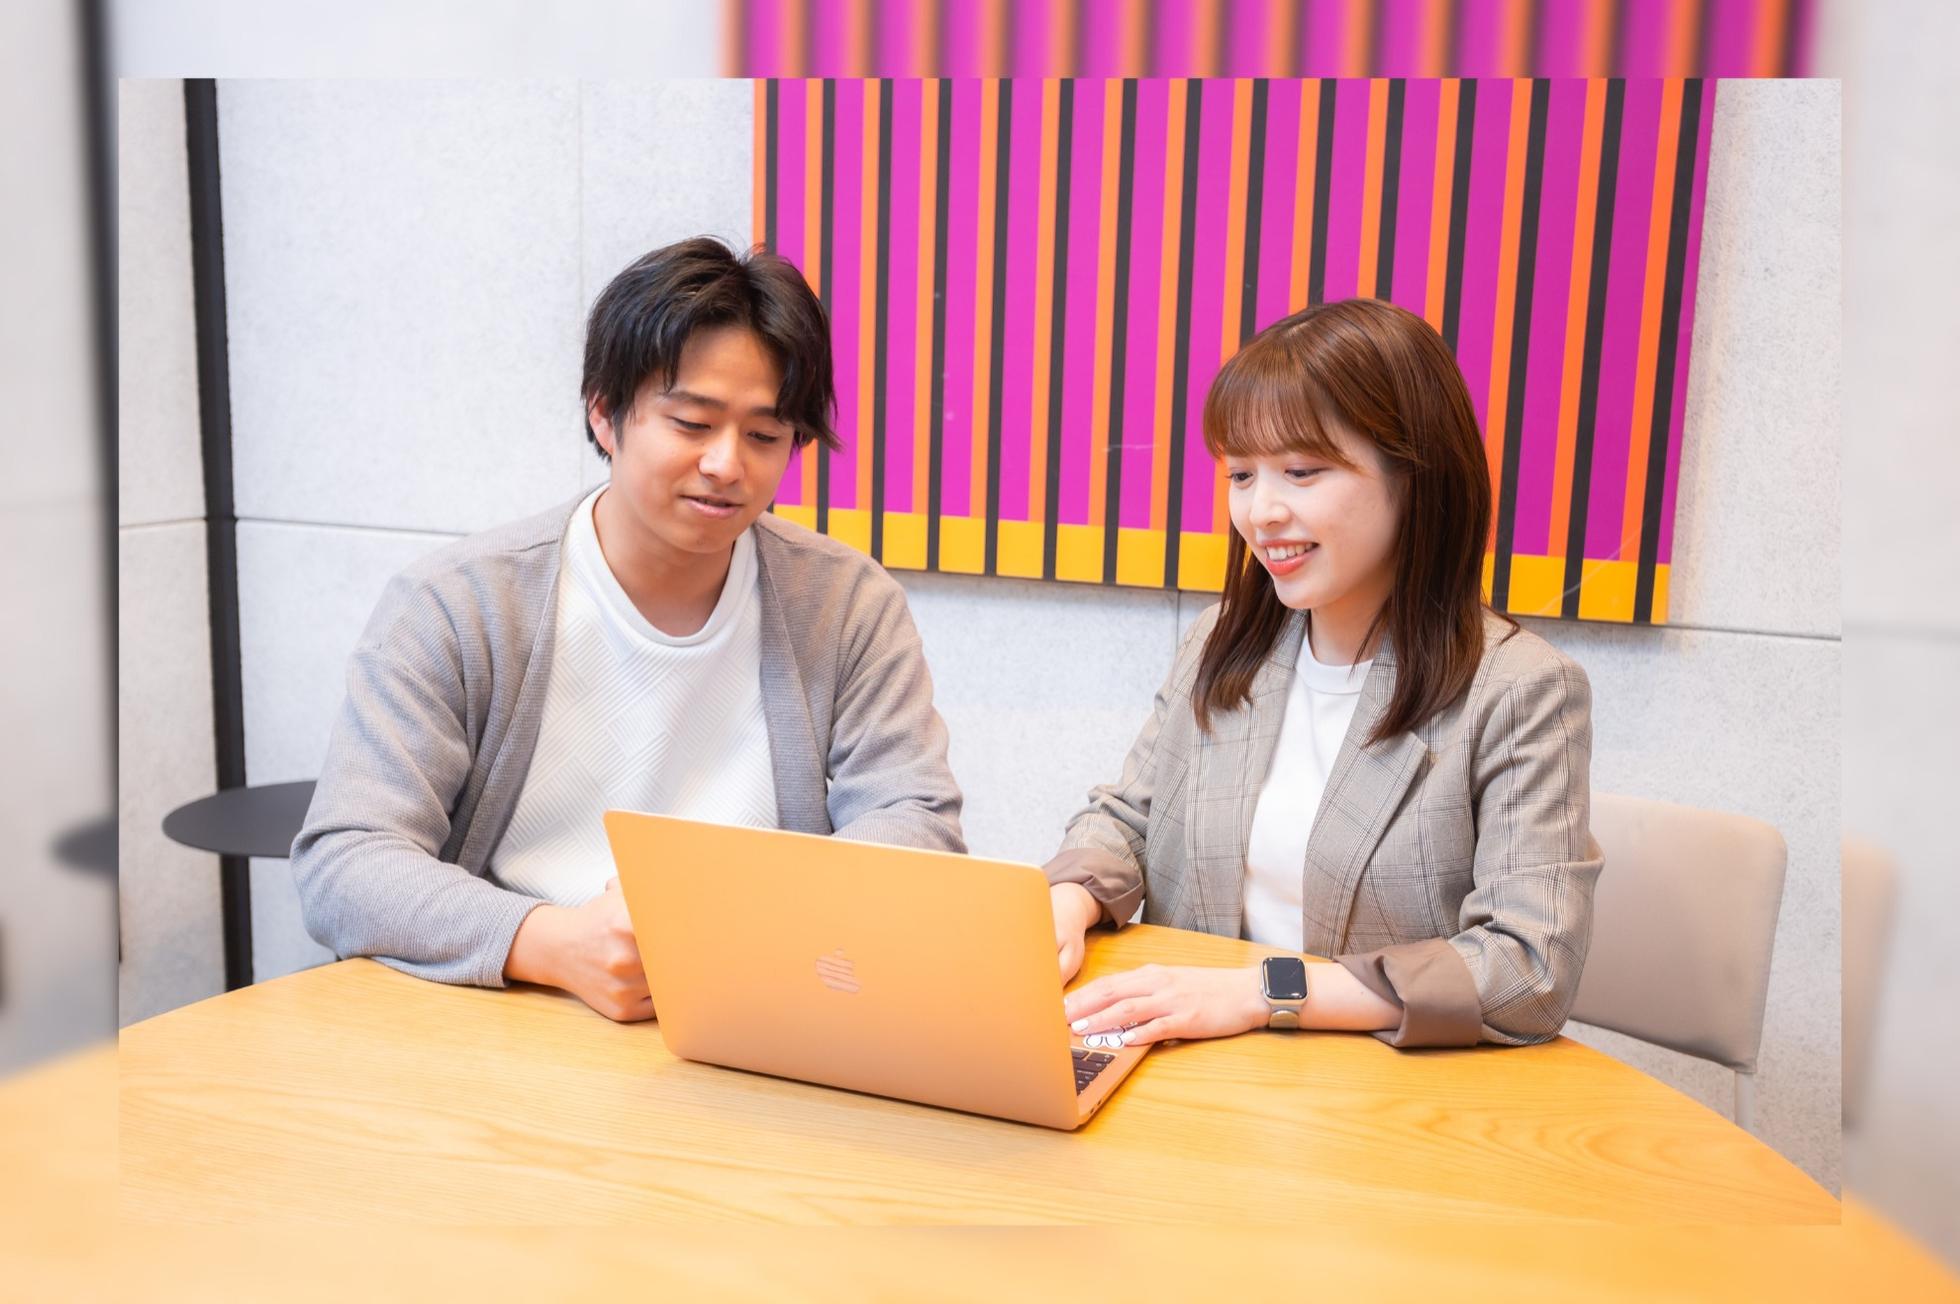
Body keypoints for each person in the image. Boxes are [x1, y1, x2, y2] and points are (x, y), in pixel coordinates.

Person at [293, 237, 964, 1022]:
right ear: (605, 414)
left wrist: (763, 920)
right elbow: (348, 860)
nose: (727, 464)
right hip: (510, 1007)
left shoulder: (846, 603)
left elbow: (915, 819)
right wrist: (551, 943)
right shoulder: (458, 604)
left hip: (752, 1013)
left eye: (764, 436)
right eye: (692, 423)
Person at [1046, 297, 1601, 1050]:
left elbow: (1528, 966)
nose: (1261, 512)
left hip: (1382, 1087)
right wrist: (1069, 898)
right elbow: (1129, 820)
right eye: (1242, 475)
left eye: (1301, 471)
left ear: (1416, 475)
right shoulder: (1221, 642)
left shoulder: (1521, 690)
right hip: (1195, 1065)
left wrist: (1264, 993)